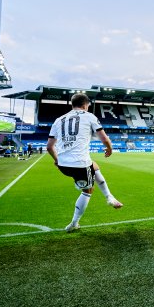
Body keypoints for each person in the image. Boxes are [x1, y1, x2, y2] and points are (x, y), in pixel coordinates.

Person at [47, 93, 123, 233]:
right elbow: (104, 139)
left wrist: (57, 161)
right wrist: (109, 148)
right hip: (79, 164)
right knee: (88, 190)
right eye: (88, 106)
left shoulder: (59, 120)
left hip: (63, 164)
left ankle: (109, 196)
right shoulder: (89, 116)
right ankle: (74, 223)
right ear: (85, 105)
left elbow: (49, 146)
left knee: (94, 165)